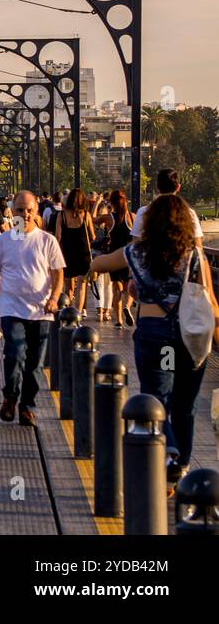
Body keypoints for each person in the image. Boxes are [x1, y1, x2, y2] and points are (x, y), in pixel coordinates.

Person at [92, 195, 219, 486]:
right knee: (185, 405)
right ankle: (182, 468)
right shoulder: (194, 255)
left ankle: (170, 452)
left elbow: (100, 264)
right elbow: (210, 300)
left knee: (157, 397)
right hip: (189, 337)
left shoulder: (136, 252)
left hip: (157, 336)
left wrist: (95, 264)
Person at [0, 190, 66, 427]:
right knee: (15, 354)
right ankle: (10, 396)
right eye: (20, 210)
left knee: (35, 366)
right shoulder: (2, 242)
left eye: (29, 210)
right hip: (11, 309)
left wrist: (54, 298)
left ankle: (27, 406)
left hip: (41, 312)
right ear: (12, 212)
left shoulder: (47, 241)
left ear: (36, 211)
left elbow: (58, 273)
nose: (25, 214)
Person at [94, 189, 135, 328]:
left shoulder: (109, 218)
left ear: (112, 202)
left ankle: (119, 321)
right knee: (128, 286)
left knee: (117, 289)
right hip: (128, 257)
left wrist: (97, 203)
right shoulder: (132, 217)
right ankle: (128, 307)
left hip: (114, 257)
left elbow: (94, 220)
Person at [132, 168, 204, 248]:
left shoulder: (143, 211)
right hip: (179, 258)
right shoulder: (189, 213)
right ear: (178, 187)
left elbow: (136, 242)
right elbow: (198, 246)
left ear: (158, 187)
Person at [54, 188, 95, 317]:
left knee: (68, 285)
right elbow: (92, 236)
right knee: (82, 285)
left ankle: (69, 311)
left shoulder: (61, 215)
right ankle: (78, 312)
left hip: (67, 253)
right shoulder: (86, 215)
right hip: (83, 254)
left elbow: (57, 237)